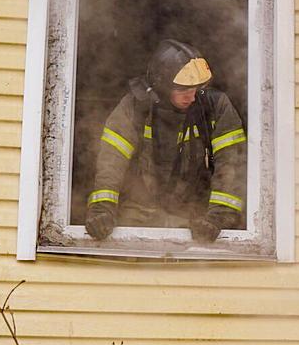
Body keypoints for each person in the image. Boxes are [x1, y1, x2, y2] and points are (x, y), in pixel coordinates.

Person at [84, 39, 246, 243]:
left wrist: (217, 218)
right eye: (183, 90)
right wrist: (102, 209)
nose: (192, 97)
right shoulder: (135, 107)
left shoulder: (215, 107)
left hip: (194, 215)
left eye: (196, 88)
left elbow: (231, 165)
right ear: (161, 87)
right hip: (139, 213)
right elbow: (111, 160)